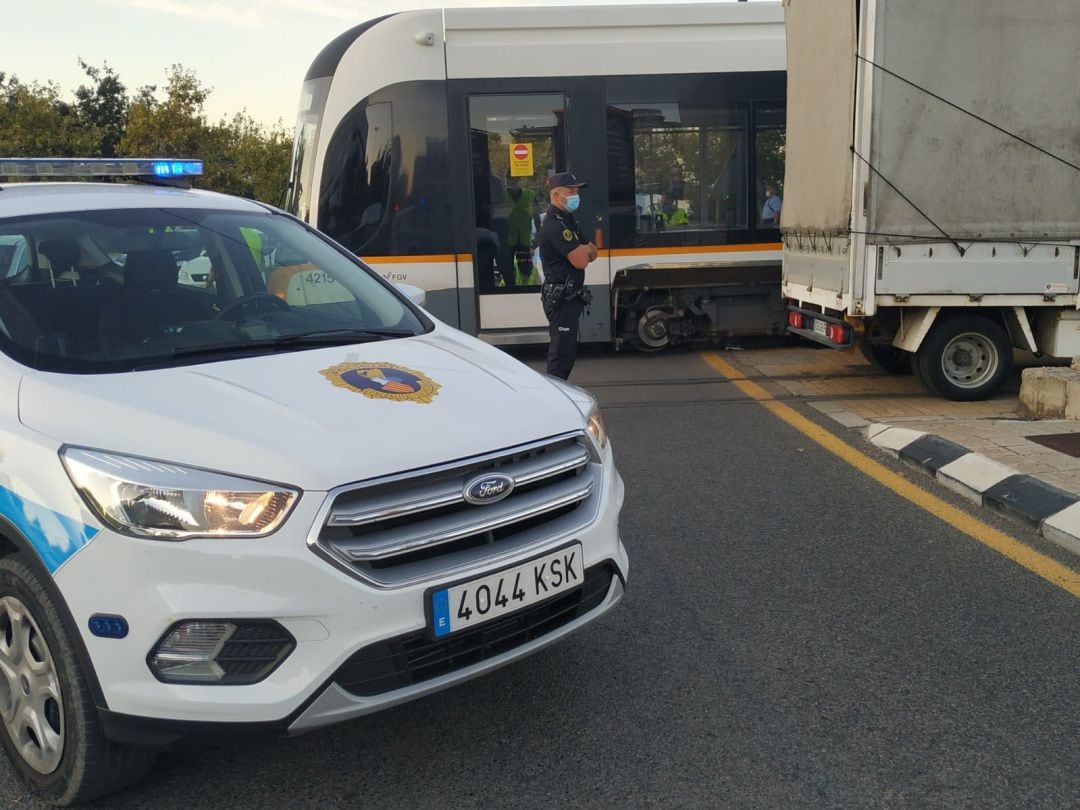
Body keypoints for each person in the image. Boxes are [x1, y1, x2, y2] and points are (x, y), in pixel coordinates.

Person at [538, 171, 597, 379]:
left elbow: (594, 250)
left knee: (567, 354)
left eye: (576, 190)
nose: (575, 194)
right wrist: (584, 251)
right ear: (555, 195)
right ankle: (553, 402)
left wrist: (585, 251)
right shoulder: (555, 225)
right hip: (561, 299)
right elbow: (581, 260)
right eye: (570, 190)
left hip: (570, 297)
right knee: (560, 357)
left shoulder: (569, 220)